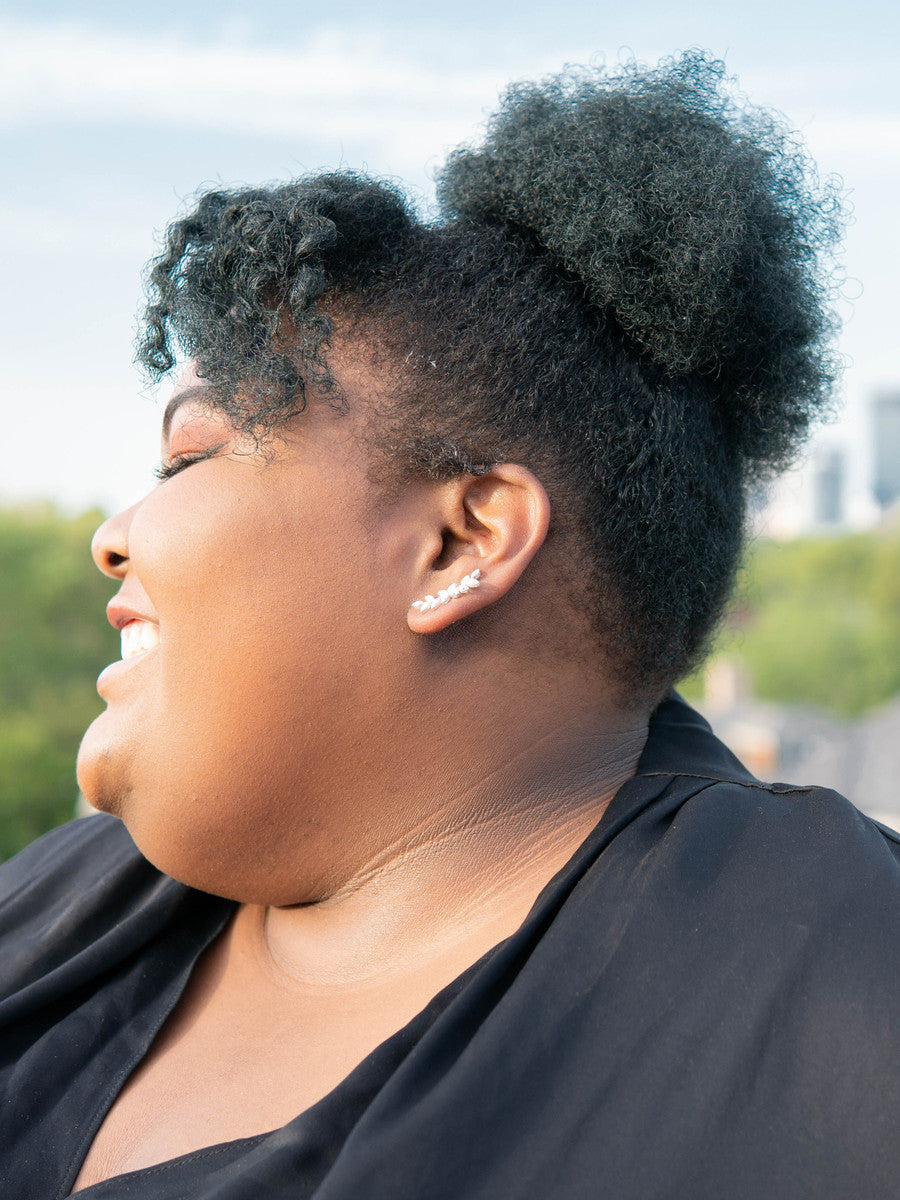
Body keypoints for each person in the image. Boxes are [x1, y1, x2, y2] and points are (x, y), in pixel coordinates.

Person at [1, 51, 897, 1200]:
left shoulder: (838, 990)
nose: (116, 534)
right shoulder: (67, 901)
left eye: (190, 456)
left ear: (462, 543)